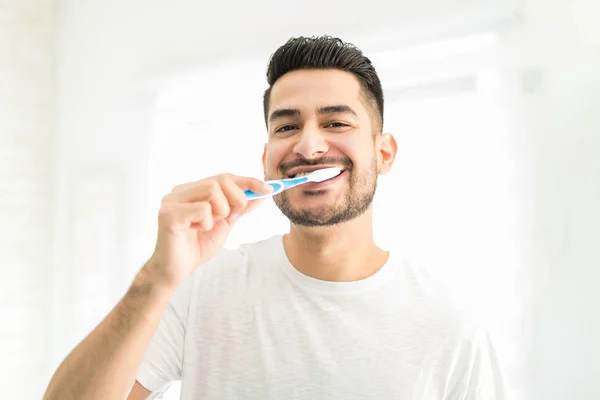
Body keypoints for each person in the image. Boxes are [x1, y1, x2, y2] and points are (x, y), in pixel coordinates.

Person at [43, 35, 506, 400]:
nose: (307, 146)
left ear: (383, 153)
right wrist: (156, 280)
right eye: (287, 126)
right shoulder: (202, 290)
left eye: (336, 122)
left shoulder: (450, 323)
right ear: (268, 158)